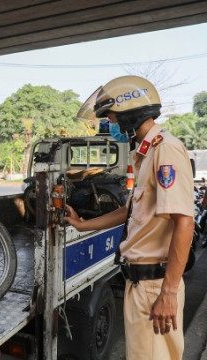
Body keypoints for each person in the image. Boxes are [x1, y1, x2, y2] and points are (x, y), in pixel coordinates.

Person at [65, 75, 194, 359]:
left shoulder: (166, 150)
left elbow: (184, 222)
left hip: (155, 285)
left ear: (128, 114)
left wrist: (169, 292)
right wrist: (82, 224)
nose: (107, 124)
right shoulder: (146, 153)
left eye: (110, 116)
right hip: (141, 284)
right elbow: (129, 212)